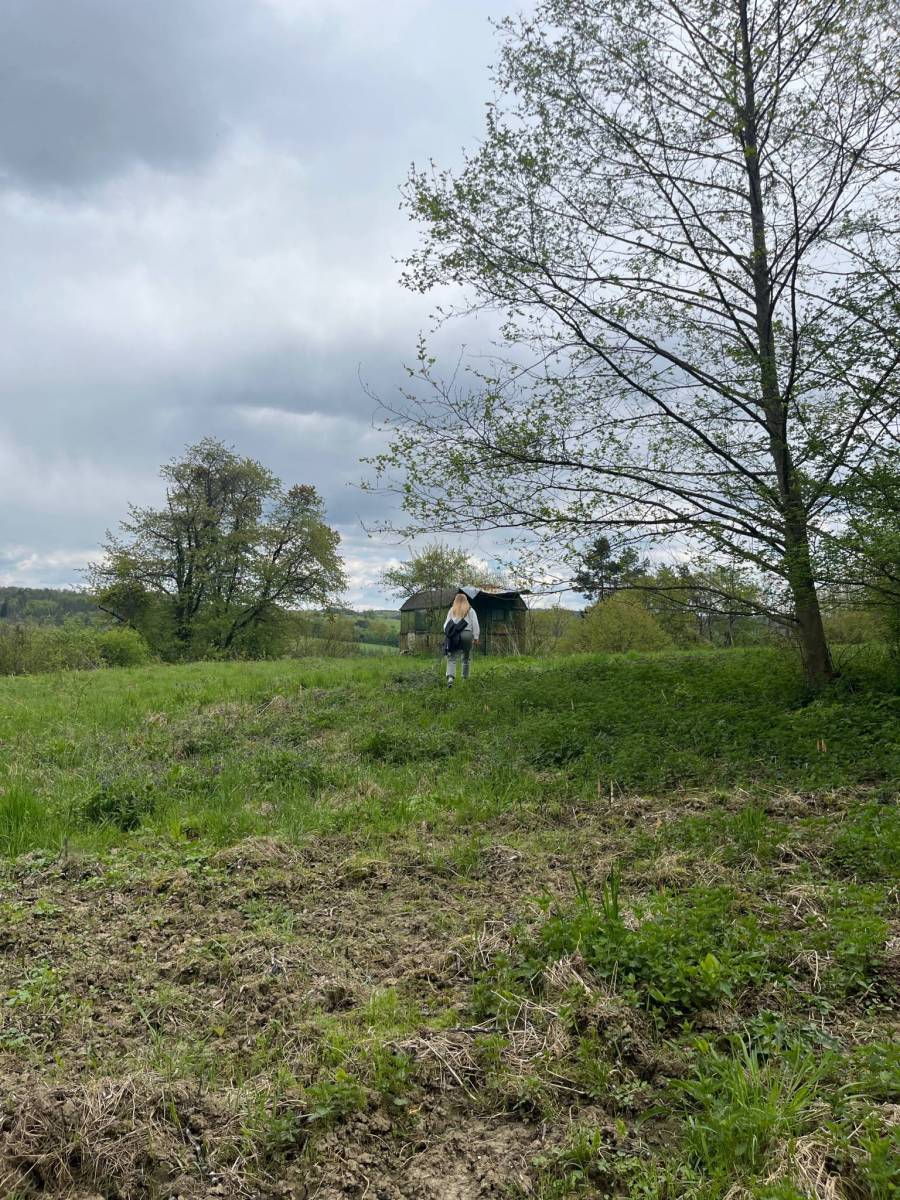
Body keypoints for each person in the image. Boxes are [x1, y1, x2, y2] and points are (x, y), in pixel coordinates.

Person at [444, 591, 480, 686]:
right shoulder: (470, 610)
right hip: (467, 635)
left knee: (452, 657)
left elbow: (446, 626)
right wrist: (476, 637)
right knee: (466, 658)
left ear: (455, 601)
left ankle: (450, 678)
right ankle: (465, 678)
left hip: (454, 636)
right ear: (466, 600)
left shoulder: (452, 610)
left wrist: (449, 634)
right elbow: (475, 624)